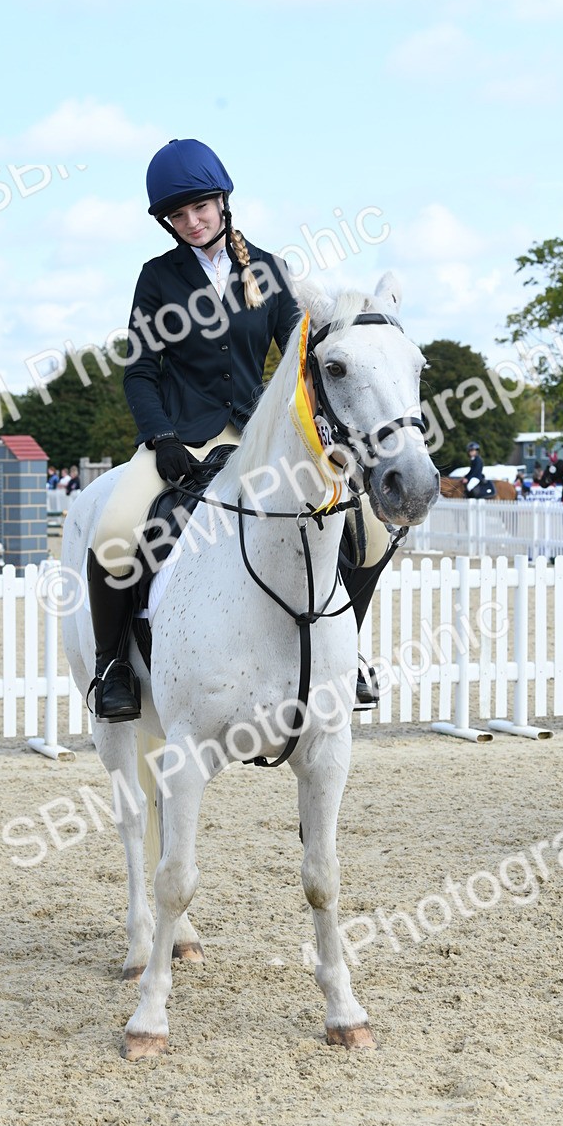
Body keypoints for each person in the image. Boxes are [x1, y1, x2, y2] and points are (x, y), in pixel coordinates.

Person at [87, 137, 390, 722]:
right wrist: (162, 438)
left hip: (258, 438)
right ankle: (112, 667)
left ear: (223, 201)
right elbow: (140, 373)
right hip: (182, 438)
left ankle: (345, 654)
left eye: (201, 208)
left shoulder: (270, 271)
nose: (192, 222)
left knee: (370, 532)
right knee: (115, 536)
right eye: (178, 216)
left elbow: (300, 359)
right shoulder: (157, 279)